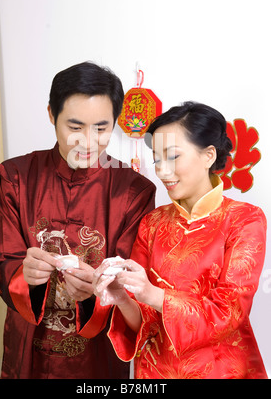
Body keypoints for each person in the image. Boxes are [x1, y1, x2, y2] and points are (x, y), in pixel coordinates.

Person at [0, 61, 156, 379]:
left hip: (97, 361)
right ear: (52, 114)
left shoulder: (134, 192)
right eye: (75, 127)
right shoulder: (14, 177)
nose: (88, 142)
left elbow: (134, 285)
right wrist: (24, 275)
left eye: (101, 128)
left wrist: (99, 291)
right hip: (28, 356)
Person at [93, 101, 267, 379]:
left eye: (172, 156)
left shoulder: (244, 219)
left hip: (221, 371)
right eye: (157, 160)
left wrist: (152, 294)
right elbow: (145, 320)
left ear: (209, 155)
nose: (162, 171)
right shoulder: (152, 223)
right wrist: (124, 298)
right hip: (155, 372)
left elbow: (229, 312)